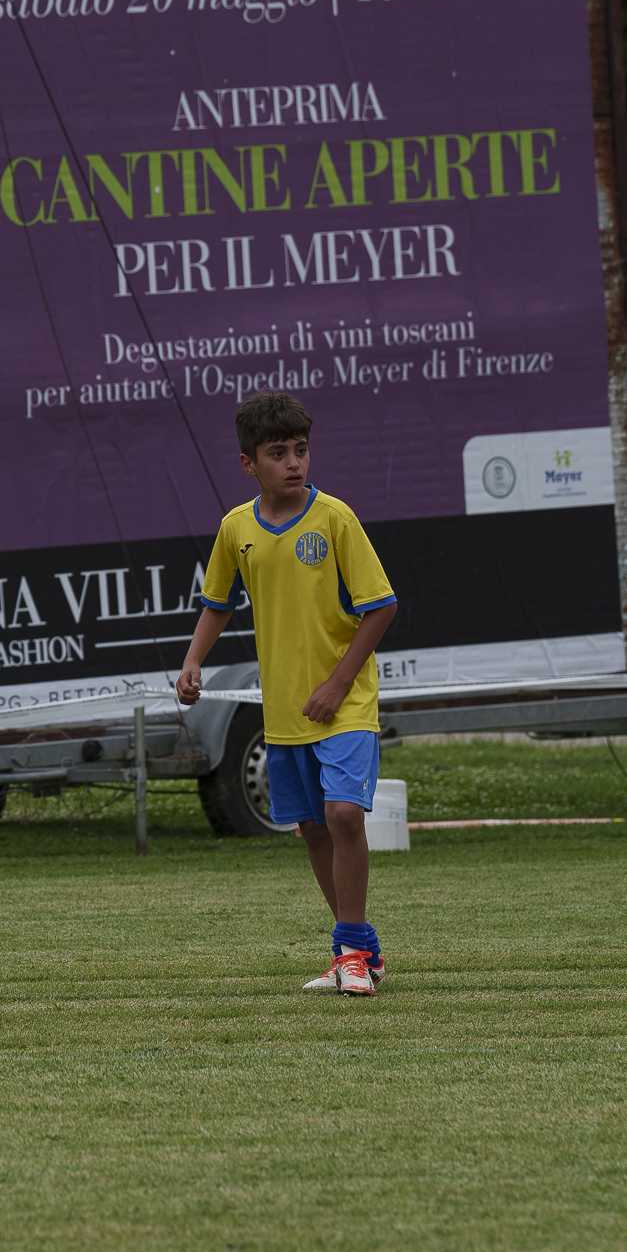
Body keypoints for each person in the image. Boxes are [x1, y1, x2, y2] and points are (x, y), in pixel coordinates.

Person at [176, 391, 398, 995]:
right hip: (285, 709)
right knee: (314, 828)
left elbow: (381, 607)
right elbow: (217, 603)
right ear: (248, 463)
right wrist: (193, 662)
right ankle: (358, 950)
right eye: (278, 453)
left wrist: (337, 683)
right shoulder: (236, 528)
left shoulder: (336, 518)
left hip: (345, 701)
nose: (294, 462)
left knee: (344, 814)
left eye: (300, 450)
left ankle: (350, 952)